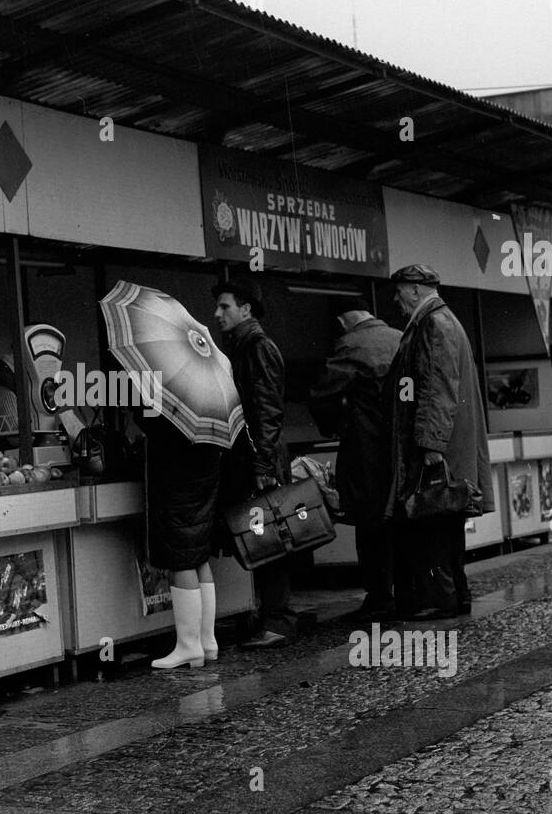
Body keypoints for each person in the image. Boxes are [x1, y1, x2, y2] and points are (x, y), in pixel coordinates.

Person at [383, 264, 494, 620]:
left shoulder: (432, 324)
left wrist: (430, 444)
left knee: (430, 524)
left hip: (437, 449)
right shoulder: (444, 321)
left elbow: (437, 386)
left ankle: (438, 600)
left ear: (416, 290)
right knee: (446, 524)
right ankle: (456, 596)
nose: (395, 298)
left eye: (399, 290)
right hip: (450, 445)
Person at [213, 277, 295, 647]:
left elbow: (267, 410)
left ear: (245, 309)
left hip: (261, 462)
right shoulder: (242, 347)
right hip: (255, 459)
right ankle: (270, 616)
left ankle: (277, 620)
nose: (217, 314)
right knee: (261, 539)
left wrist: (262, 467)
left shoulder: (257, 347)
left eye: (225, 306)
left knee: (269, 539)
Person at [309, 302, 402, 620]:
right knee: (399, 524)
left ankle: (379, 598)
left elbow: (323, 395)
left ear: (342, 322)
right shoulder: (400, 337)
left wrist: (337, 419)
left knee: (370, 525)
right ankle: (404, 593)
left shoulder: (352, 344)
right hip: (401, 452)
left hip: (367, 452)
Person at [143, 413, 223, 668]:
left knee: (181, 559)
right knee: (198, 555)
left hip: (177, 471)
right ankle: (207, 641)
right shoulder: (210, 382)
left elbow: (153, 423)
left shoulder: (168, 383)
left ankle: (189, 647)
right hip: (207, 464)